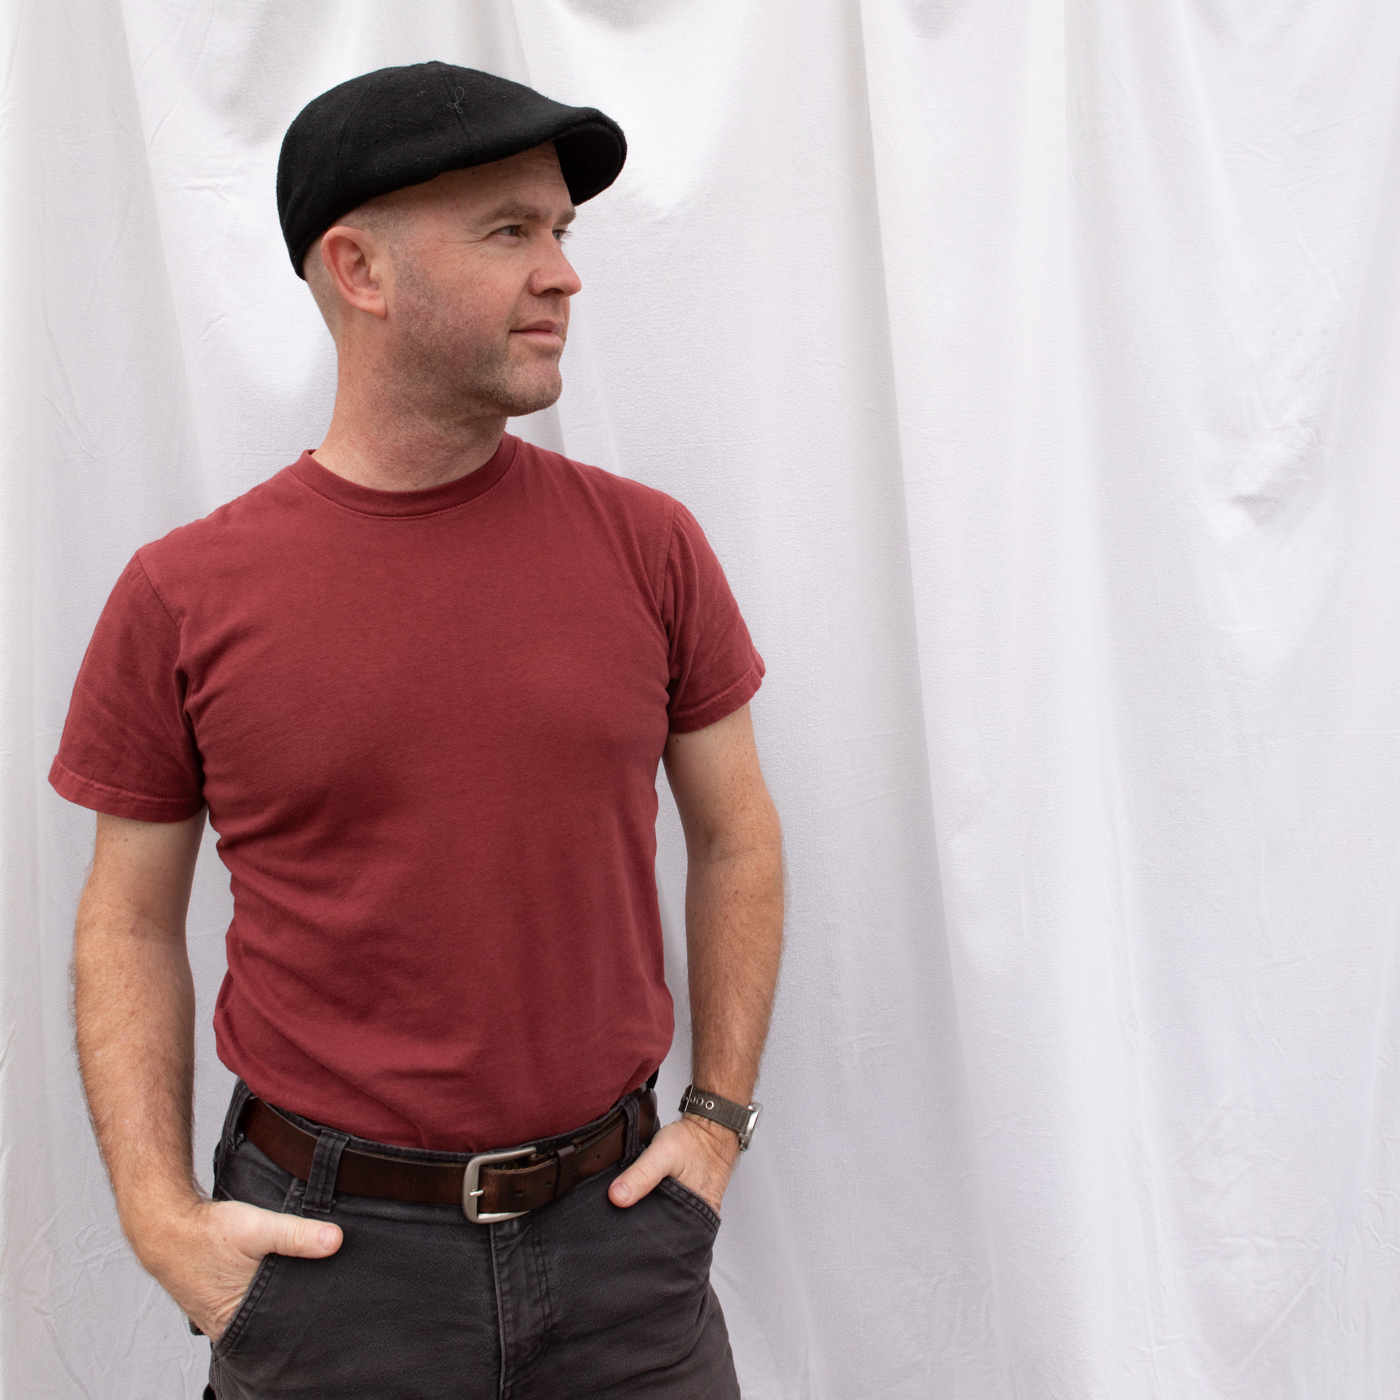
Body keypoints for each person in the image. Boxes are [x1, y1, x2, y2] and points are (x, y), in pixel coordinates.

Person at [51, 61, 783, 1400]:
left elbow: (736, 839)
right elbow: (126, 921)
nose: (562, 272)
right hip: (333, 1269)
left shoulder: (649, 547)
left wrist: (717, 1123)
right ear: (360, 271)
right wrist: (163, 1222)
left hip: (620, 1244)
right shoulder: (184, 596)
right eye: (511, 230)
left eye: (562, 231)